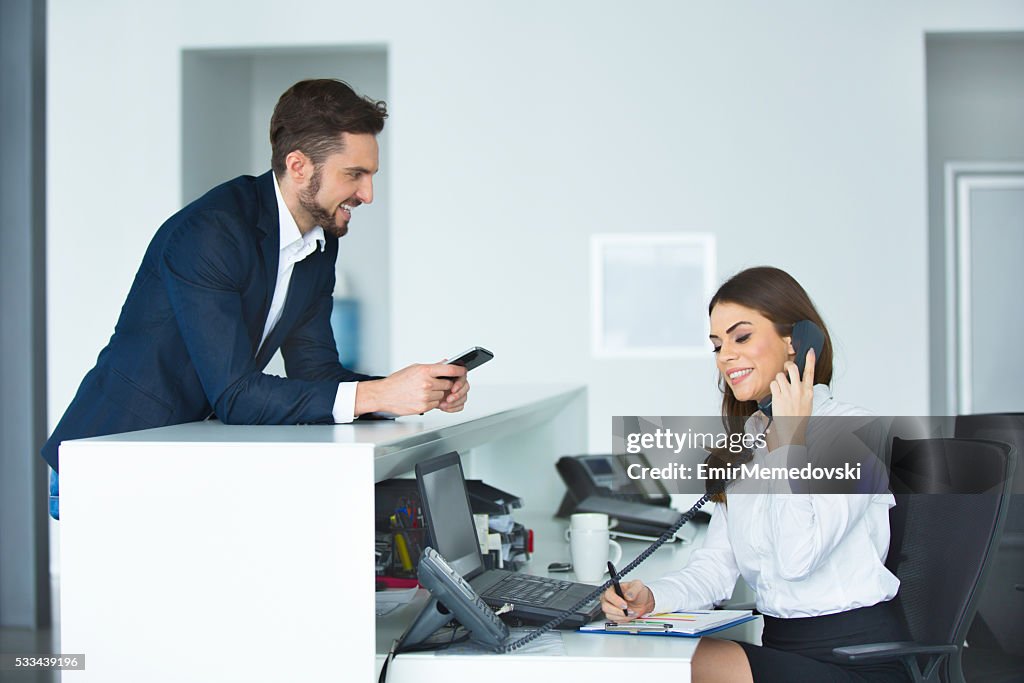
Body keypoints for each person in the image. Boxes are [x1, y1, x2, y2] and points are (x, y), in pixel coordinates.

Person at [42, 79, 470, 515]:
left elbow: (316, 370)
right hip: (110, 456)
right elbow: (236, 394)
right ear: (298, 165)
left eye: (371, 175)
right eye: (354, 175)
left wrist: (411, 392)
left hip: (183, 455)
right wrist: (379, 395)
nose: (367, 194)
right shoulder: (212, 232)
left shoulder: (319, 240)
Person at [601, 266, 909, 683]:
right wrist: (653, 597)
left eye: (741, 336)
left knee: (682, 668)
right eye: (716, 345)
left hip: (857, 661)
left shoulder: (855, 434)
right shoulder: (749, 442)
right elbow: (715, 566)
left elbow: (797, 558)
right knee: (652, 652)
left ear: (795, 342)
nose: (725, 355)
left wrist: (789, 443)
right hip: (784, 652)